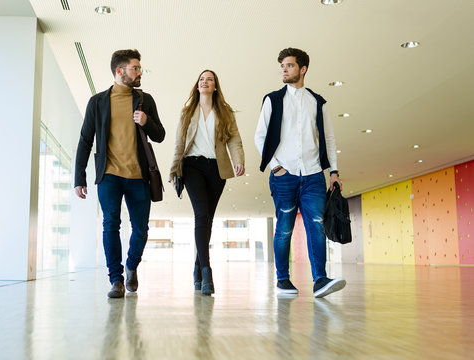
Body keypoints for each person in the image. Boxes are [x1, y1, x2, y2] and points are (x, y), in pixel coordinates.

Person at [254, 48, 346, 298]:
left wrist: (333, 171)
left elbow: (328, 137)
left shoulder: (317, 101)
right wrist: (276, 166)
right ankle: (283, 280)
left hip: (314, 174)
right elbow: (260, 136)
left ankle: (320, 280)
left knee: (316, 224)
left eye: (289, 65)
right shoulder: (272, 99)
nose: (284, 69)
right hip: (285, 175)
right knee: (284, 228)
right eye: (282, 65)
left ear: (302, 69)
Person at [74, 49, 165, 298]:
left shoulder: (146, 100)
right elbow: (85, 140)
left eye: (139, 68)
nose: (139, 73)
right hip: (109, 175)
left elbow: (160, 135)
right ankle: (116, 279)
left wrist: (147, 122)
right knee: (110, 224)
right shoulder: (98, 102)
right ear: (119, 71)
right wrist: (79, 178)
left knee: (141, 229)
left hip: (139, 176)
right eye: (135, 68)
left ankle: (132, 265)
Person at [170, 70, 245, 296]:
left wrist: (239, 161)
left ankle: (196, 268)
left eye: (209, 79)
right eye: (202, 79)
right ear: (197, 86)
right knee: (201, 216)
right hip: (192, 166)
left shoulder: (225, 112)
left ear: (215, 87)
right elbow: (179, 143)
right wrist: (174, 170)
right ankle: (206, 271)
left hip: (217, 168)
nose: (205, 82)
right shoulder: (187, 113)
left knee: (208, 219)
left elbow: (234, 139)